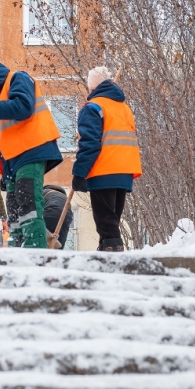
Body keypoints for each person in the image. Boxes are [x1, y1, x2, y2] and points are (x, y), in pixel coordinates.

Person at [0, 59, 63, 248]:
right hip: (13, 161)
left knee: (28, 199)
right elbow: (1, 145)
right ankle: (16, 246)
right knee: (13, 207)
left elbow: (24, 106)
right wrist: (4, 173)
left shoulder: (18, 78)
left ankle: (35, 248)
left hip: (32, 150)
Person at [72, 67, 142, 251]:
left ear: (92, 88)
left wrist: (79, 172)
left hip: (104, 169)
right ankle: (104, 248)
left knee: (105, 218)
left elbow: (89, 143)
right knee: (112, 219)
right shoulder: (124, 108)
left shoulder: (93, 107)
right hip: (125, 168)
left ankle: (112, 249)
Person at [43, 185, 74, 249]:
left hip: (50, 213)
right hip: (66, 217)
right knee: (57, 247)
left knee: (41, 243)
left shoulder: (44, 192)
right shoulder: (65, 197)